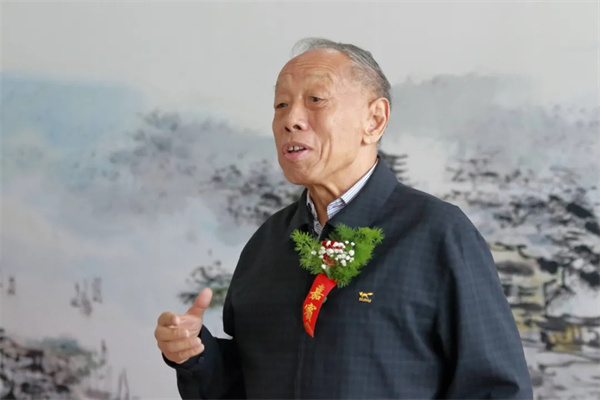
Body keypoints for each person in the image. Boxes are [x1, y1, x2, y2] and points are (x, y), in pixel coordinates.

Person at [155, 38, 533, 399]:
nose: (291, 120)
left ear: (374, 120)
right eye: (281, 105)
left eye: (316, 100)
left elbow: (495, 389)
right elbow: (248, 386)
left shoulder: (438, 234)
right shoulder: (267, 244)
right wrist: (196, 355)